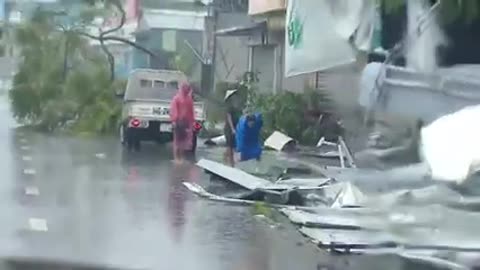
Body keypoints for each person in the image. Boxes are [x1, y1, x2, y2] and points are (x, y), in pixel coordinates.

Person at [169, 82, 195, 164]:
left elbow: (191, 112)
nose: (187, 90)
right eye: (186, 88)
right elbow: (173, 110)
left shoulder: (189, 99)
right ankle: (176, 158)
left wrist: (192, 123)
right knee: (177, 141)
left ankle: (181, 158)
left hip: (186, 122)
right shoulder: (177, 98)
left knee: (183, 142)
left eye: (188, 89)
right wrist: (174, 121)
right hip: (178, 121)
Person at [223, 89, 242, 167]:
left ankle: (231, 163)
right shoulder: (229, 107)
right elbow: (229, 118)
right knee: (229, 147)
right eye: (234, 95)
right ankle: (228, 163)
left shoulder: (238, 107)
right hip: (229, 129)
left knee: (233, 147)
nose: (235, 97)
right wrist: (232, 129)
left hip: (236, 128)